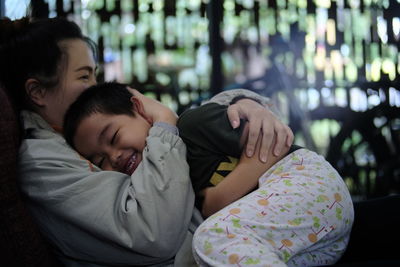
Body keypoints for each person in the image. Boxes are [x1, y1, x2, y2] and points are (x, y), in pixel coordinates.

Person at [0, 16, 294, 266]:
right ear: (38, 93)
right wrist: (164, 125)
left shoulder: (76, 135)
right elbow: (153, 231)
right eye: (84, 76)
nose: (95, 86)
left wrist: (245, 104)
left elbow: (189, 135)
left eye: (94, 75)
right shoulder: (45, 164)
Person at [63, 82, 354, 266]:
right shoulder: (160, 182)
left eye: (113, 137)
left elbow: (277, 143)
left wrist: (218, 198)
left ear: (139, 109)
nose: (113, 156)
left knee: (211, 239)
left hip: (306, 182)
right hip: (310, 240)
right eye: (99, 159)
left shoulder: (192, 126)